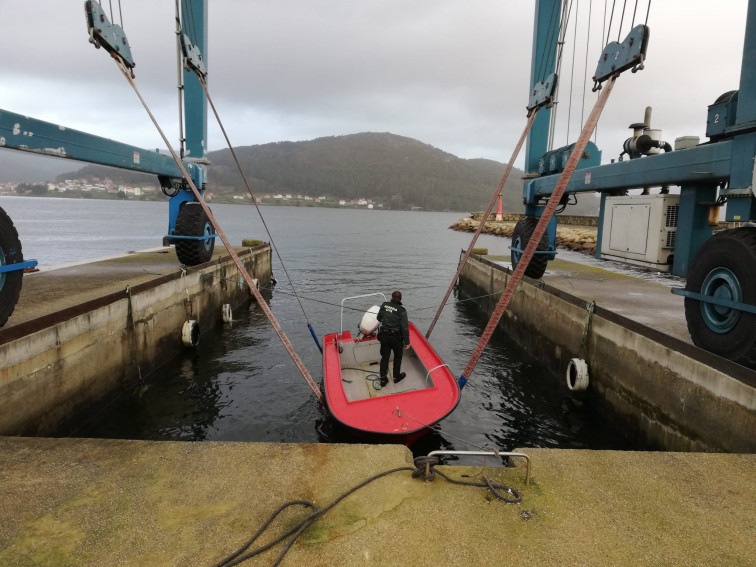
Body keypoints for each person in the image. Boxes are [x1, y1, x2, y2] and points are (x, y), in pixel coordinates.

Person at [377, 290, 411, 387]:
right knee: (397, 357)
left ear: (391, 297)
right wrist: (407, 342)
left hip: (384, 336)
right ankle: (396, 377)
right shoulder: (402, 310)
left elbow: (379, 318)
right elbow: (404, 328)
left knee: (385, 357)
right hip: (395, 338)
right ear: (400, 299)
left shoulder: (384, 305)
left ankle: (383, 379)